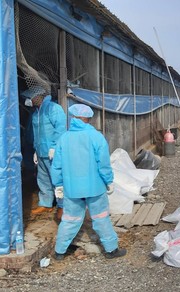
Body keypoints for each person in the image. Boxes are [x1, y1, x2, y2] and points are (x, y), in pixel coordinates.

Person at [50, 104, 126, 260]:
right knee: (101, 217)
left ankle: (59, 252)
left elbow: (56, 165)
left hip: (72, 189)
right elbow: (103, 163)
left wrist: (58, 184)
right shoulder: (96, 137)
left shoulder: (64, 138)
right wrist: (108, 181)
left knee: (69, 219)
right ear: (87, 118)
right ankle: (111, 250)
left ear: (73, 118)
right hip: (95, 187)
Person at [24, 87, 67, 220]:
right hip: (41, 152)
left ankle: (63, 205)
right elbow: (34, 133)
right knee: (43, 179)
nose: (28, 100)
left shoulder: (53, 108)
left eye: (30, 98)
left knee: (57, 179)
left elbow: (60, 128)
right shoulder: (36, 112)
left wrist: (54, 147)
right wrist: (35, 150)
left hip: (52, 153)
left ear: (38, 96)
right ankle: (46, 203)